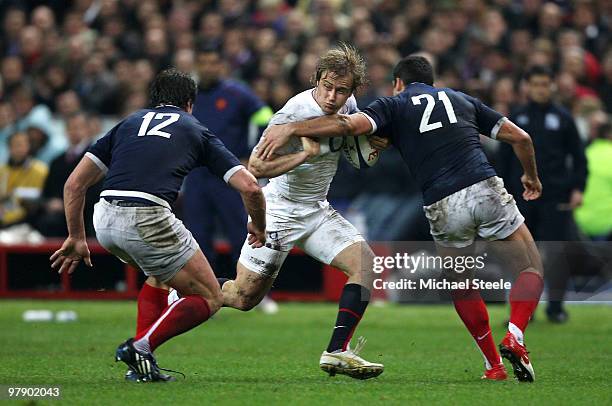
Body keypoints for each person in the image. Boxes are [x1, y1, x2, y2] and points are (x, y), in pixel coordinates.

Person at [259, 55, 545, 383]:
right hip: (483, 186)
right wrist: (531, 178)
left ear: (398, 83)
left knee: (462, 286)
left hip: (441, 202)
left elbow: (349, 125)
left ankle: (493, 366)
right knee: (529, 267)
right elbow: (521, 139)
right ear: (432, 82)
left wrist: (292, 128)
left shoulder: (395, 105)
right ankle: (515, 335)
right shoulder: (461, 99)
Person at [49, 69, 266, 382]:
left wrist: (76, 236)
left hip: (105, 218)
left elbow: (74, 185)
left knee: (159, 278)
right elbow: (250, 187)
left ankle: (140, 365)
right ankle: (141, 346)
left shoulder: (127, 123)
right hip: (148, 216)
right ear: (190, 103)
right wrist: (258, 226)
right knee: (211, 297)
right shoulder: (195, 128)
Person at [221, 44, 385, 380]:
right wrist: (302, 156)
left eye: (341, 90)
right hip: (279, 210)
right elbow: (255, 166)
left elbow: (353, 134)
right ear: (316, 80)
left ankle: (337, 351)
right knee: (242, 298)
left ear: (352, 91)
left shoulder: (349, 106)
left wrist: (377, 141)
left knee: (365, 264)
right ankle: (186, 289)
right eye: (327, 86)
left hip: (317, 211)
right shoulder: (293, 113)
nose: (332, 97)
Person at [498, 65, 588, 323]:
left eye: (545, 84)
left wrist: (578, 188)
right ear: (527, 86)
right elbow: (503, 160)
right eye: (536, 84)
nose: (540, 89)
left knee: (557, 253)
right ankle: (524, 312)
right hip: (521, 196)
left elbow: (579, 159)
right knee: (521, 255)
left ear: (552, 86)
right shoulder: (516, 118)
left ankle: (556, 308)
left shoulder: (563, 118)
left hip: (555, 196)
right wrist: (503, 191)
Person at [183, 46, 273, 269]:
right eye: (203, 62)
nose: (208, 68)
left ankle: (250, 285)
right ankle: (203, 291)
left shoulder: (237, 94)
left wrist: (252, 153)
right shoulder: (188, 95)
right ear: (196, 65)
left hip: (230, 176)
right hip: (196, 176)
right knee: (197, 235)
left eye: (213, 62)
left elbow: (266, 117)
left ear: (221, 66)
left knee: (239, 232)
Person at [36, 111, 100, 237]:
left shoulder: (96, 159)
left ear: (88, 130)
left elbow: (95, 193)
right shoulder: (57, 161)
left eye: (78, 127)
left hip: (85, 216)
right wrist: (49, 203)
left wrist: (66, 205)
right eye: (70, 128)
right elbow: (47, 191)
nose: (73, 131)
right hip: (56, 217)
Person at [0, 131, 48, 228]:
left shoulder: (41, 170)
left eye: (22, 145)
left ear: (28, 147)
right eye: (15, 145)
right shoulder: (2, 171)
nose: (19, 149)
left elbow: (41, 198)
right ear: (9, 148)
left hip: (29, 217)